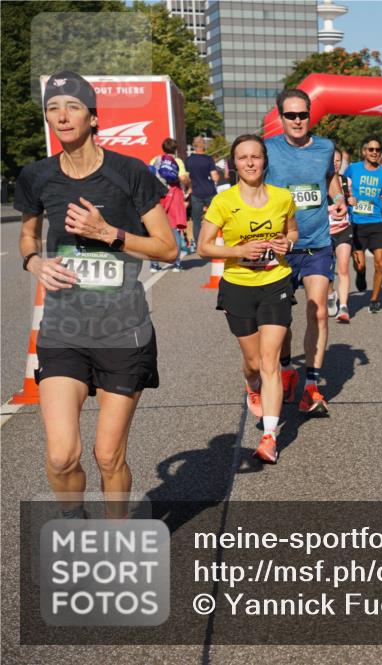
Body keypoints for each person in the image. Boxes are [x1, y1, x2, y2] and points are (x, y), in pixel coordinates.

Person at [16, 72, 178, 518]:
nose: (62, 116)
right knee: (61, 456)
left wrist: (109, 233)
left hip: (123, 333)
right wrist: (34, 262)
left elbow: (168, 247)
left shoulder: (129, 173)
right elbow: (28, 238)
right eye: (53, 108)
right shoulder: (37, 176)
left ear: (93, 117)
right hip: (62, 332)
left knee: (109, 457)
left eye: (71, 106)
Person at [199, 135, 298, 463]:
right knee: (254, 362)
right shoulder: (223, 202)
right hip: (238, 286)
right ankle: (250, 382)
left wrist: (288, 243)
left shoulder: (282, 198)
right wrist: (239, 250)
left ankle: (269, 436)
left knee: (270, 361)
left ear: (265, 161)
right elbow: (204, 246)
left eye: (256, 156)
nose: (250, 162)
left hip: (276, 281)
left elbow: (292, 231)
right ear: (234, 164)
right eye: (243, 158)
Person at [264, 88, 346, 415]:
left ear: (310, 116)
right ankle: (285, 370)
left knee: (319, 311)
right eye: (291, 115)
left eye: (303, 115)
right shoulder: (268, 149)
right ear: (280, 117)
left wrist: (338, 201)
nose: (298, 121)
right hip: (281, 246)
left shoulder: (325, 147)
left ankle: (311, 384)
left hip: (317, 243)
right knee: (280, 320)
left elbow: (330, 180)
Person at [345, 135, 382, 314]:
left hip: (377, 222)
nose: (374, 152)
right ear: (364, 151)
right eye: (371, 149)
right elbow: (343, 187)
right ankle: (360, 273)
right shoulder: (353, 169)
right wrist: (348, 197)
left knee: (380, 263)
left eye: (377, 150)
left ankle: (374, 298)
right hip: (357, 223)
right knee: (360, 264)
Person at [148, 137, 189, 272]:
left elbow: (149, 175)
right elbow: (183, 178)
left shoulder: (156, 160)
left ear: (163, 148)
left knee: (155, 229)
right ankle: (176, 263)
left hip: (158, 195)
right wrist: (187, 183)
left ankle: (154, 264)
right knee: (174, 229)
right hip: (174, 194)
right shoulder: (177, 161)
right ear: (175, 149)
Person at [327, 149, 352, 322]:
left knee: (343, 268)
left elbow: (351, 198)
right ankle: (330, 295)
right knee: (327, 272)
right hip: (324, 231)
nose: (335, 164)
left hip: (343, 228)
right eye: (332, 161)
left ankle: (344, 307)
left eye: (338, 161)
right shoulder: (320, 181)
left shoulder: (345, 181)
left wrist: (352, 200)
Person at [185, 136, 219, 254]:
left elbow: (186, 177)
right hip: (210, 192)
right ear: (203, 145)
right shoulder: (208, 159)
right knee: (217, 218)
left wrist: (190, 186)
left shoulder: (189, 160)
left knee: (196, 221)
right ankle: (218, 241)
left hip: (196, 193)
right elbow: (215, 177)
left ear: (194, 145)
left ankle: (199, 246)